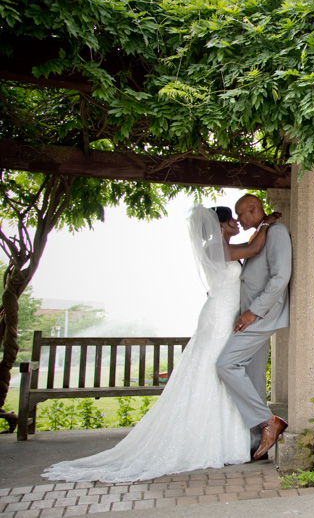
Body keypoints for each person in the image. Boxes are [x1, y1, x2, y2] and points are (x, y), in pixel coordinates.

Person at [42, 205, 279, 483]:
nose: (238, 223)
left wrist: (262, 228)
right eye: (232, 220)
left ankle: (227, 438)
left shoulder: (222, 247)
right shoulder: (217, 248)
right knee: (214, 371)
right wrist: (268, 223)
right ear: (221, 224)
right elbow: (253, 250)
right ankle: (220, 438)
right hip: (218, 318)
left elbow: (249, 247)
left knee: (221, 372)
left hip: (226, 313)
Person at [217, 194, 291, 460]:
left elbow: (281, 276)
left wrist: (253, 312)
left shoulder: (277, 232)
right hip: (250, 317)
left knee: (225, 364)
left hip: (261, 317)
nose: (238, 220)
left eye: (241, 214)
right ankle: (255, 443)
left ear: (253, 208)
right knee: (254, 377)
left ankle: (268, 421)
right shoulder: (261, 233)